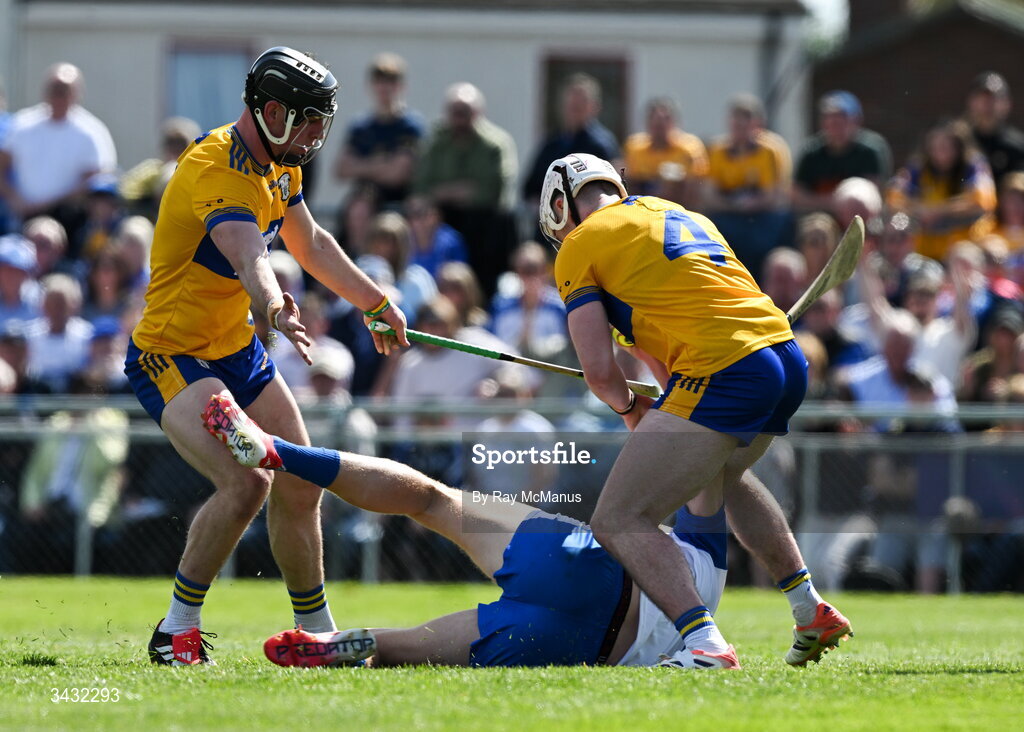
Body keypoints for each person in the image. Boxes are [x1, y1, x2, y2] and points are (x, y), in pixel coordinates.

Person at [122, 47, 408, 666]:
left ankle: (317, 631)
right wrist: (276, 305)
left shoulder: (283, 161)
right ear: (272, 111)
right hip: (174, 357)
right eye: (306, 122)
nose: (314, 136)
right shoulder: (215, 167)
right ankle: (177, 631)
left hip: (237, 353)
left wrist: (375, 300)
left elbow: (307, 241)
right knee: (247, 481)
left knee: (301, 483)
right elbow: (249, 251)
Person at [537, 152, 851, 668]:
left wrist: (624, 406)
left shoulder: (579, 244)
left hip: (727, 366)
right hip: (784, 355)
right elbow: (669, 371)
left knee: (618, 518)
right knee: (719, 472)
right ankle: (808, 608)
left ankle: (704, 643)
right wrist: (652, 410)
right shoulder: (675, 212)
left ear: (558, 204)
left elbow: (598, 371)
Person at [202, 392, 731, 669]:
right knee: (401, 648)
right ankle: (341, 643)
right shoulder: (704, 598)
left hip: (581, 565)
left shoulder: (707, 558)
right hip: (572, 646)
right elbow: (710, 454)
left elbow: (697, 456)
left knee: (430, 499)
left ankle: (278, 452)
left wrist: (665, 407)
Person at [0, 63, 116, 242]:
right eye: (55, 89)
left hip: (70, 219)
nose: (59, 96)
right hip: (24, 216)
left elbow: (97, 180)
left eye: (65, 90)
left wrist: (50, 203)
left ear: (77, 94)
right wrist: (15, 199)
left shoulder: (91, 132)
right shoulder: (23, 125)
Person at [334, 53, 424, 254]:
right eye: (379, 81)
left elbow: (397, 174)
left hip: (401, 199)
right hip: (365, 197)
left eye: (391, 81)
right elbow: (341, 169)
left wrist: (362, 165)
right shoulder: (361, 127)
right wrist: (382, 163)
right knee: (358, 210)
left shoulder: (409, 126)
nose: (385, 87)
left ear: (401, 86)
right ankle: (360, 260)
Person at [704, 93, 792, 281]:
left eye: (745, 124)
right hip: (729, 214)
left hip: (762, 215)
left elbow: (772, 196)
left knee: (765, 239)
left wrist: (748, 205)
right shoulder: (718, 151)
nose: (740, 129)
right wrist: (733, 206)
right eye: (736, 123)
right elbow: (710, 194)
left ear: (757, 124)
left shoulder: (769, 151)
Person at [887, 119, 996, 262]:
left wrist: (937, 211)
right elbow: (893, 200)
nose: (939, 152)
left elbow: (982, 202)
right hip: (922, 250)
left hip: (964, 250)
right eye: (935, 147)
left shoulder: (973, 166)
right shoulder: (918, 167)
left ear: (958, 147)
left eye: (946, 146)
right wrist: (921, 210)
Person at [522, 73, 620, 205]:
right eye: (571, 104)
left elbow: (612, 190)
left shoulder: (603, 145)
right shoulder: (551, 144)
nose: (575, 109)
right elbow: (531, 187)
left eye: (580, 104)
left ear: (594, 106)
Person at [793, 91, 892, 214]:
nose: (835, 124)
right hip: (821, 217)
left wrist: (846, 204)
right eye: (829, 118)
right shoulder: (811, 152)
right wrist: (835, 202)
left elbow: (874, 194)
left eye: (842, 118)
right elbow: (797, 196)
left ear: (856, 120)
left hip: (861, 217)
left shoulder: (870, 150)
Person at [622, 97, 708, 209]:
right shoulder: (635, 147)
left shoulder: (689, 148)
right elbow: (631, 181)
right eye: (656, 124)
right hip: (643, 205)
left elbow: (697, 184)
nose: (660, 126)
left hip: (678, 205)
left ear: (675, 122)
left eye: (665, 121)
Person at [963, 71, 1024, 188]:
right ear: (971, 102)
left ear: (1007, 104)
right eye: (982, 100)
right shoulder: (958, 143)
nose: (987, 106)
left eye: (993, 100)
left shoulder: (1018, 147)